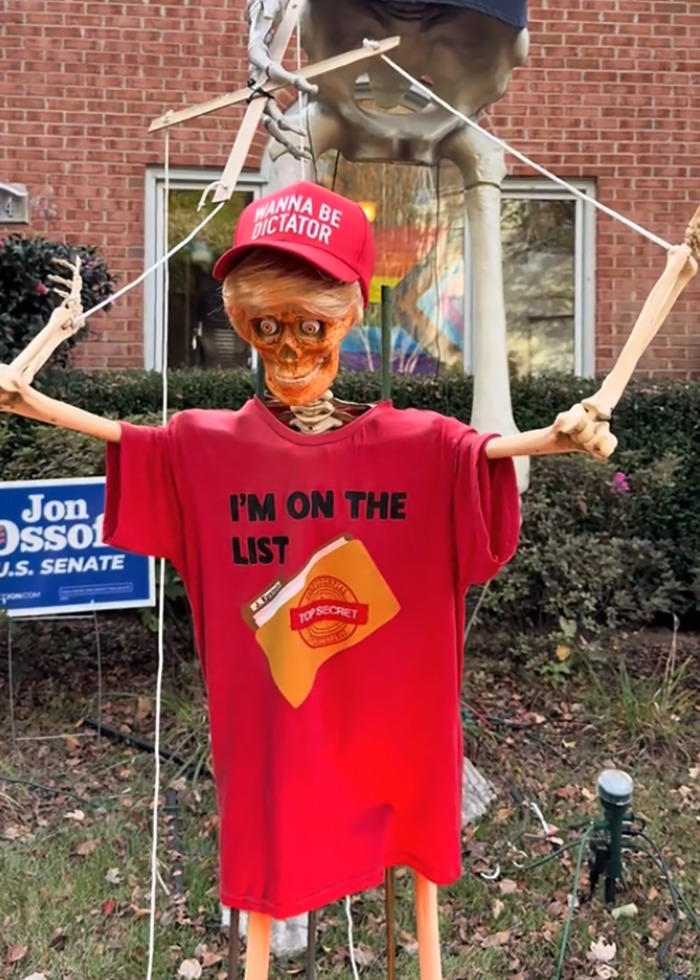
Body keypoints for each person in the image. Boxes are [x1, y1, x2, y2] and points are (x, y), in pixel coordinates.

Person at [0, 180, 613, 979]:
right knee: (268, 890)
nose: (289, 350)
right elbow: (127, 437)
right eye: (266, 328)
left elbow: (494, 455)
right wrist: (33, 400)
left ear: (349, 317)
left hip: (395, 732)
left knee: (418, 890)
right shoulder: (205, 449)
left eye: (309, 326)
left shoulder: (424, 447)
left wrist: (559, 435)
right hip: (277, 739)